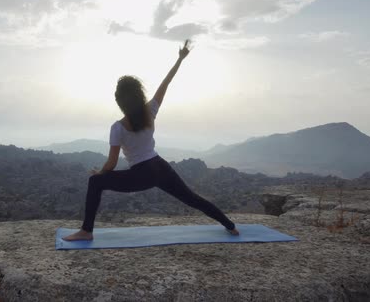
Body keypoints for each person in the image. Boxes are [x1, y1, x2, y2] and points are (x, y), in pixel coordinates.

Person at [62, 39, 239, 241]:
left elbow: (111, 163)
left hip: (140, 174)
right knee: (192, 199)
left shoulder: (118, 127)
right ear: (139, 95)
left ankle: (86, 231)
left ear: (119, 102)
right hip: (160, 167)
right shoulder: (150, 111)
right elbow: (166, 82)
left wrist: (99, 173)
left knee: (95, 182)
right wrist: (180, 59)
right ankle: (230, 226)